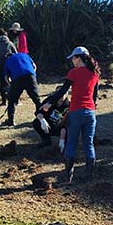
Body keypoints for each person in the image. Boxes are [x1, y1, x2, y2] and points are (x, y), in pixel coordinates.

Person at [42, 46, 100, 184]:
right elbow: (95, 96)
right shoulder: (95, 74)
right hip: (90, 113)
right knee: (89, 144)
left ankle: (68, 177)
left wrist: (49, 103)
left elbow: (62, 91)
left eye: (73, 58)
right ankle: (89, 177)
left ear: (78, 58)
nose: (72, 61)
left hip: (75, 112)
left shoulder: (73, 73)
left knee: (71, 143)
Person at [2, 51, 42, 127]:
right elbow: (34, 66)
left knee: (12, 100)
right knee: (36, 99)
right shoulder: (24, 55)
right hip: (30, 76)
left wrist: (11, 86)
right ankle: (42, 118)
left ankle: (11, 121)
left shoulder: (8, 61)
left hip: (17, 79)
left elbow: (6, 77)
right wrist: (33, 75)